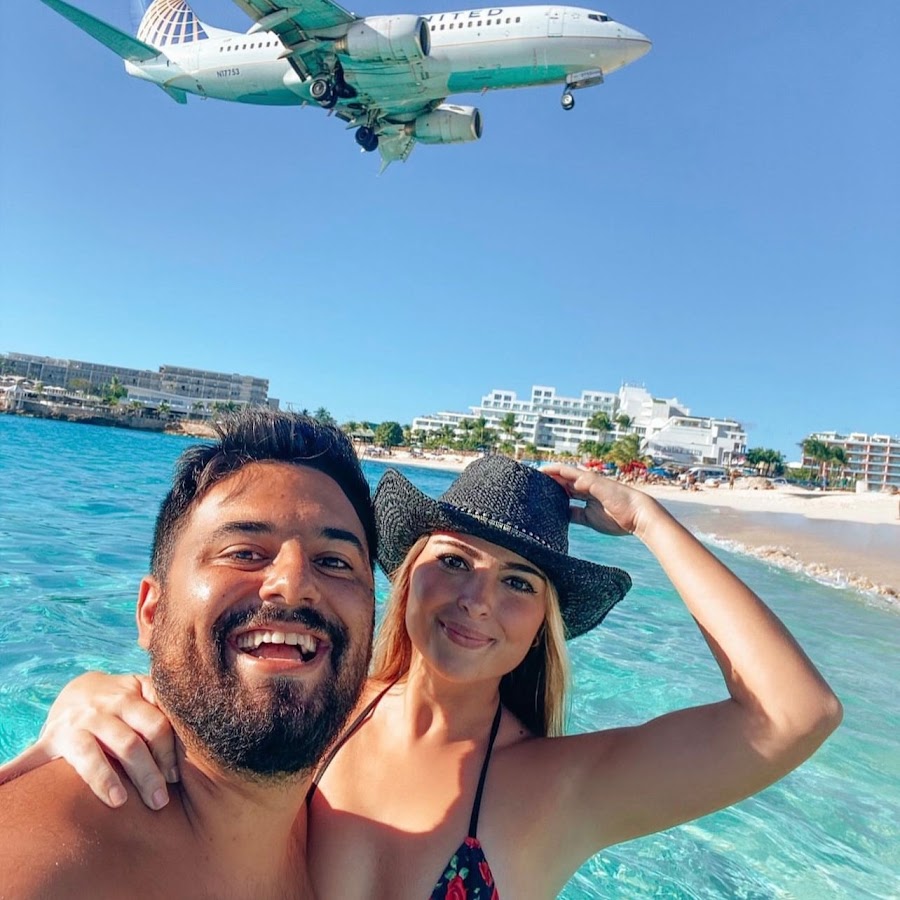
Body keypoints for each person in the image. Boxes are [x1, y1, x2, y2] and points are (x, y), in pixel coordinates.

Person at [1, 456, 842, 899]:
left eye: (519, 583)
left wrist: (652, 520)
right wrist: (82, 700)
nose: (477, 601)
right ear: (408, 576)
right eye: (455, 562)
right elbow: (195, 686)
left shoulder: (557, 789)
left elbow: (795, 712)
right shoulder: (318, 707)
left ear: (541, 626)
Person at [0, 409, 378, 898]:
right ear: (151, 614)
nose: (293, 584)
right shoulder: (45, 863)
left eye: (334, 562)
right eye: (244, 552)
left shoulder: (335, 832)